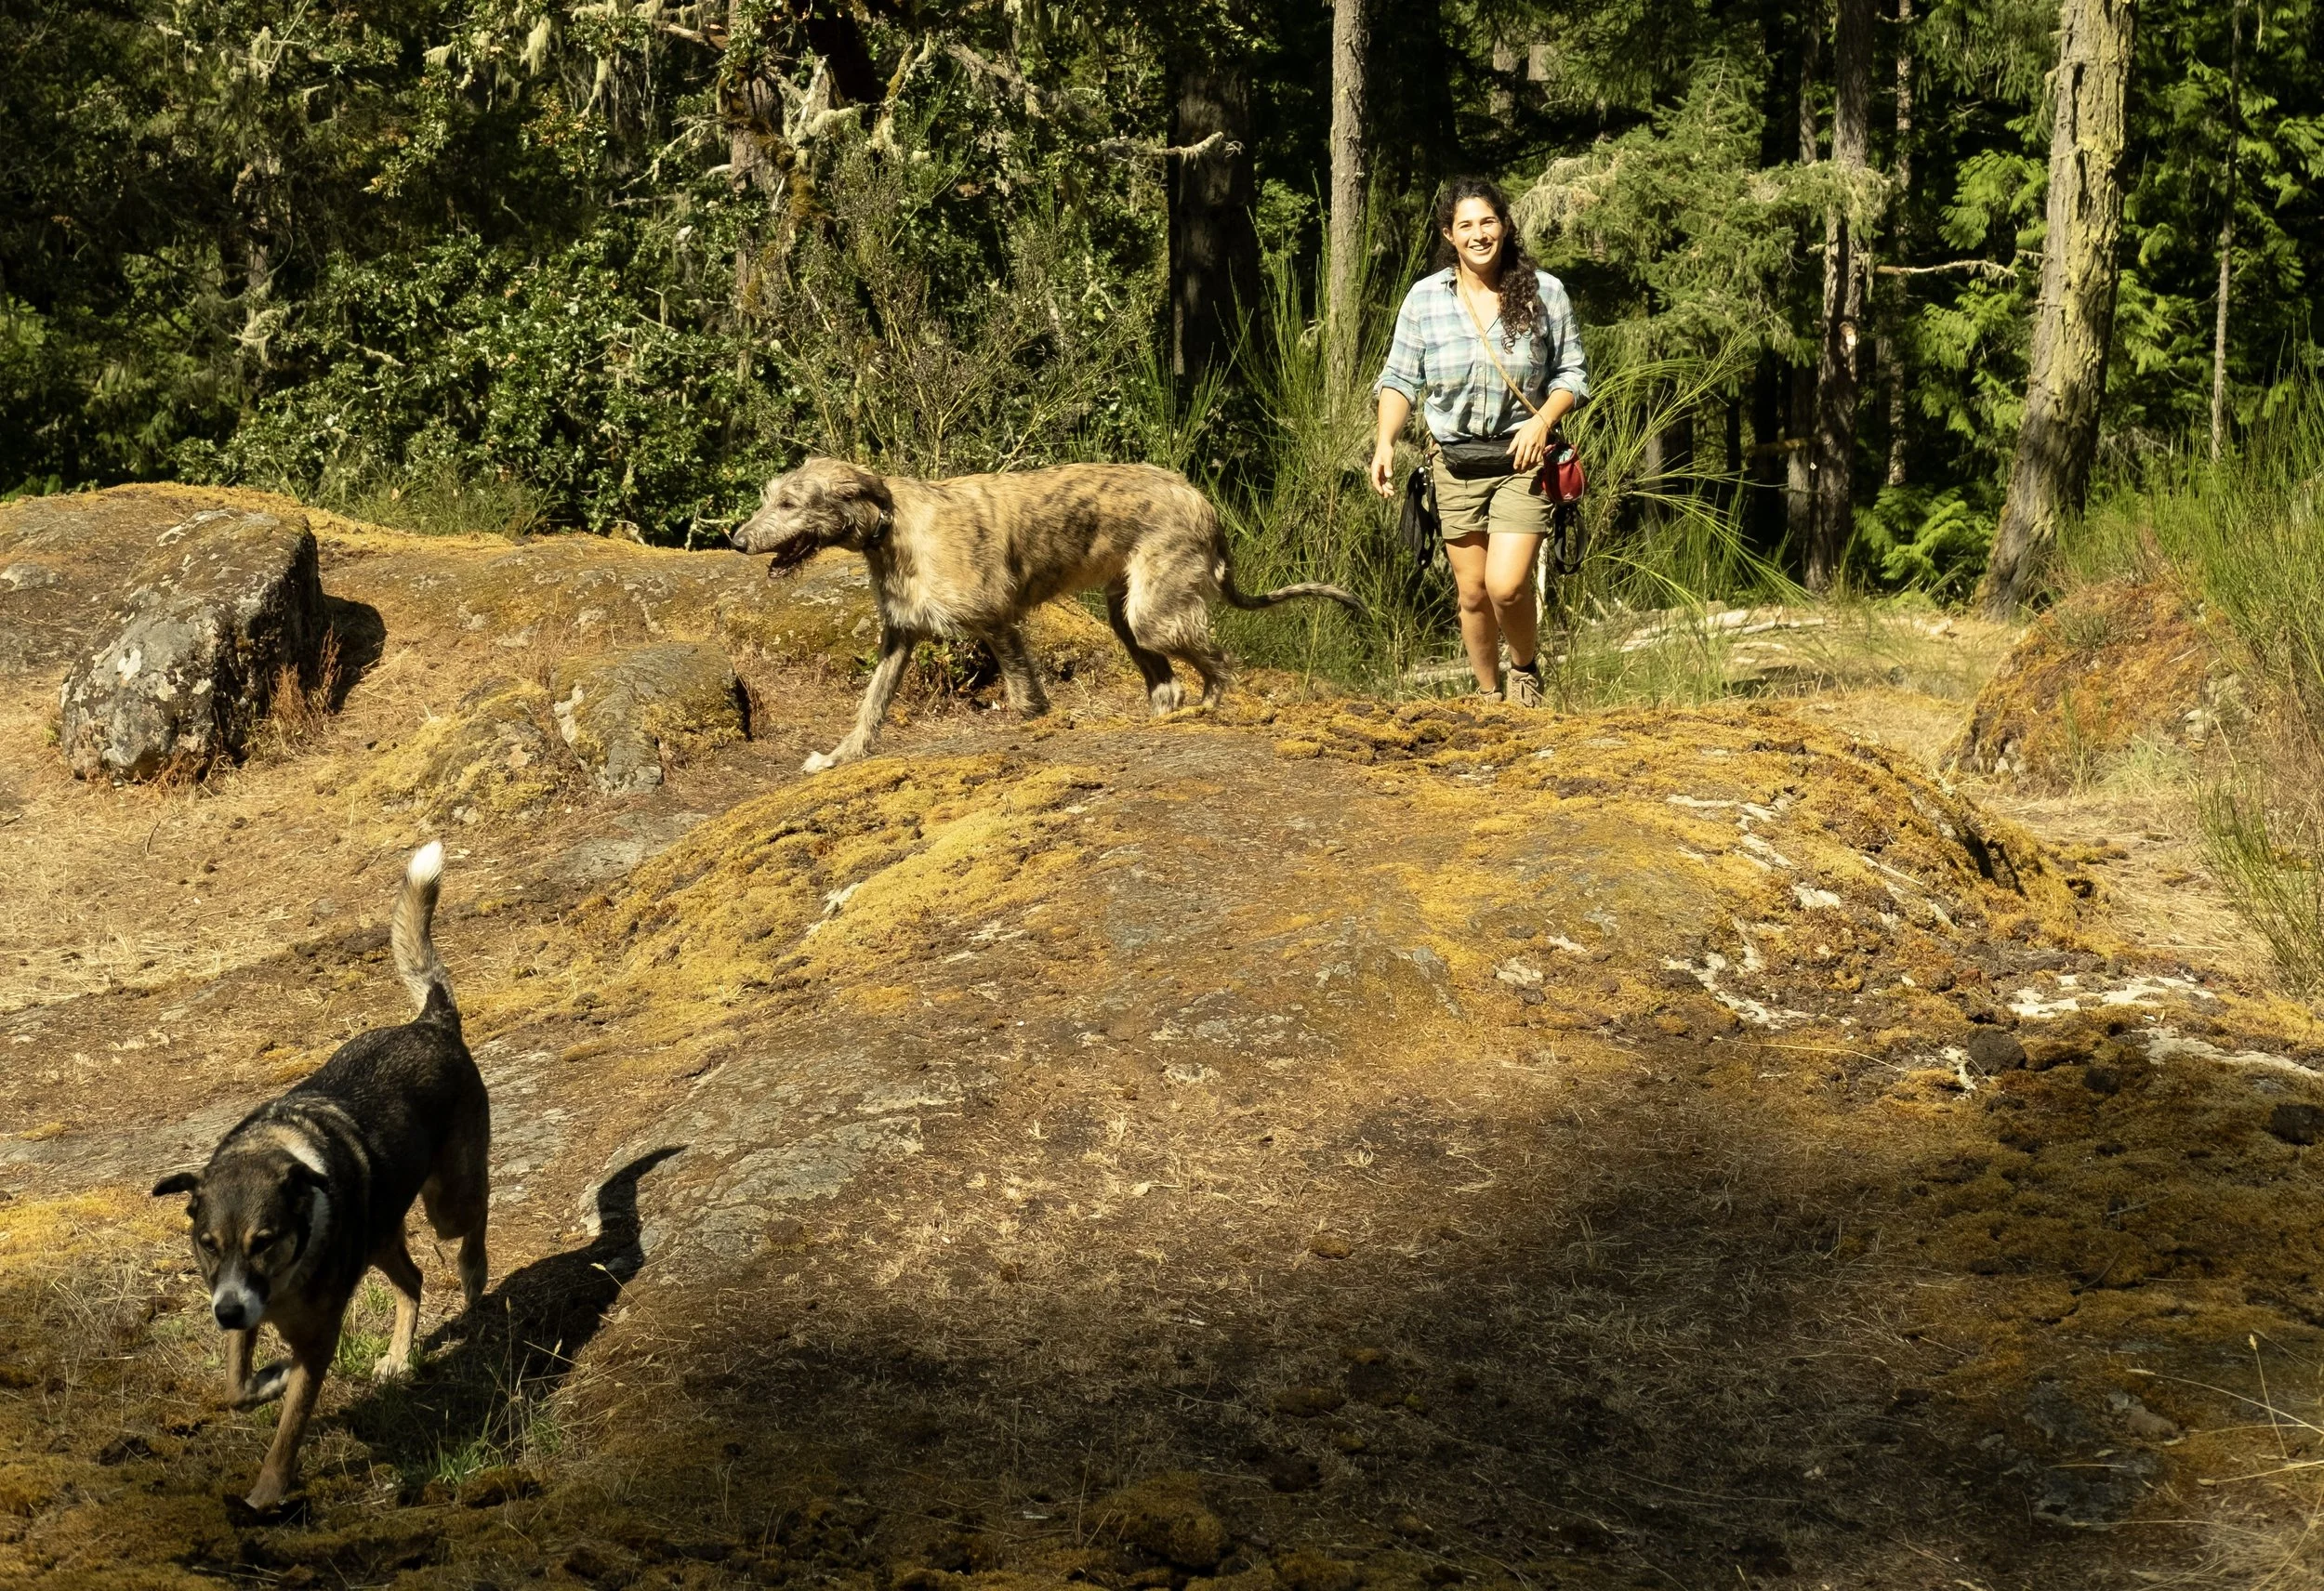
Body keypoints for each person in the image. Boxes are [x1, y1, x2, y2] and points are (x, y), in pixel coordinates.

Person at [1370, 177, 1589, 707]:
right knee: (1471, 593)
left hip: (1523, 458)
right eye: (1465, 225)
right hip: (1454, 462)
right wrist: (1385, 443)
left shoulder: (1545, 292)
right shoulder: (1425, 299)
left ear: (1505, 225)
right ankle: (1489, 698)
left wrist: (1542, 422)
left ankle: (1524, 671)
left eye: (1487, 221)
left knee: (1506, 586)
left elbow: (1573, 374)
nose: (1478, 234)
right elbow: (1400, 379)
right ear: (1450, 233)